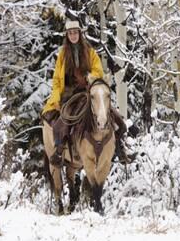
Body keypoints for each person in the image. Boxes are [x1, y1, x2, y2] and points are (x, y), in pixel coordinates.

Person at [41, 19, 129, 166]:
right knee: (61, 123)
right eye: (70, 33)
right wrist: (56, 98)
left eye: (75, 33)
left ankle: (120, 148)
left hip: (88, 91)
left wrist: (88, 78)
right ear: (67, 36)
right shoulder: (62, 55)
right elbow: (57, 79)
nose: (73, 36)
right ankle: (59, 150)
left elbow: (98, 70)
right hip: (69, 94)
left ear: (80, 34)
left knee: (115, 116)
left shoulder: (90, 52)